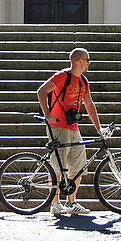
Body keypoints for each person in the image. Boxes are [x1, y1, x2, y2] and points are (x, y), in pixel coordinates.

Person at [37, 47, 106, 216]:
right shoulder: (62, 77)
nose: (89, 64)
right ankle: (55, 203)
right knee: (58, 165)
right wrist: (47, 114)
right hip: (58, 125)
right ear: (78, 61)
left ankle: (71, 202)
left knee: (79, 165)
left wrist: (99, 128)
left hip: (73, 126)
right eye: (87, 60)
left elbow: (89, 105)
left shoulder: (83, 81)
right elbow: (41, 91)